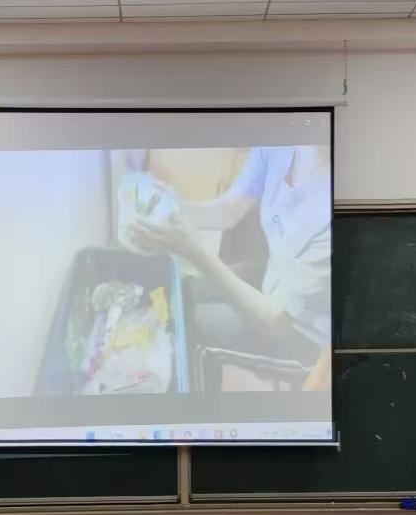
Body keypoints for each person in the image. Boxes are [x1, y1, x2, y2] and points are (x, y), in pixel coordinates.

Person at [128, 145, 331, 369]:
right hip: (276, 276)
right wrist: (176, 209)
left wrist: (195, 251)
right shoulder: (280, 148)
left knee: (185, 322)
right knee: (185, 289)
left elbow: (276, 321)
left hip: (300, 332)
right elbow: (229, 210)